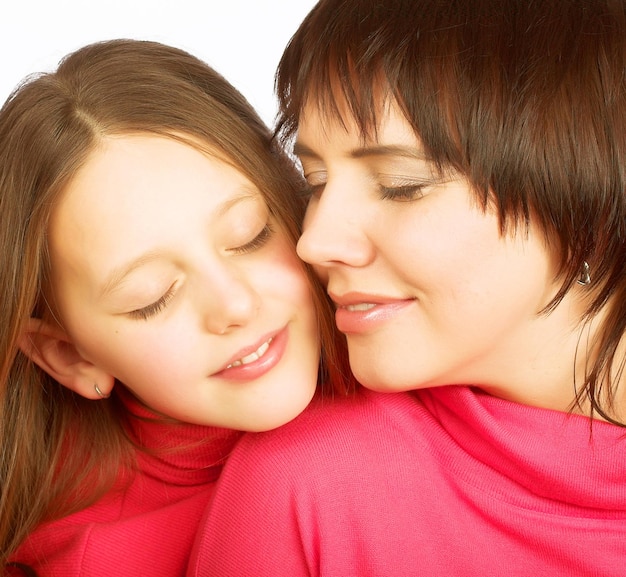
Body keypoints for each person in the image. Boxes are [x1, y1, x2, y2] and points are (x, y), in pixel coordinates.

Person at [187, 0, 626, 575]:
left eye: (400, 186)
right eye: (314, 181)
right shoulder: (315, 484)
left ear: (591, 204)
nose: (314, 242)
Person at [0, 38, 351, 576]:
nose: (234, 304)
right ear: (69, 355)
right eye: (152, 298)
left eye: (249, 236)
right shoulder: (103, 561)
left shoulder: (407, 341)